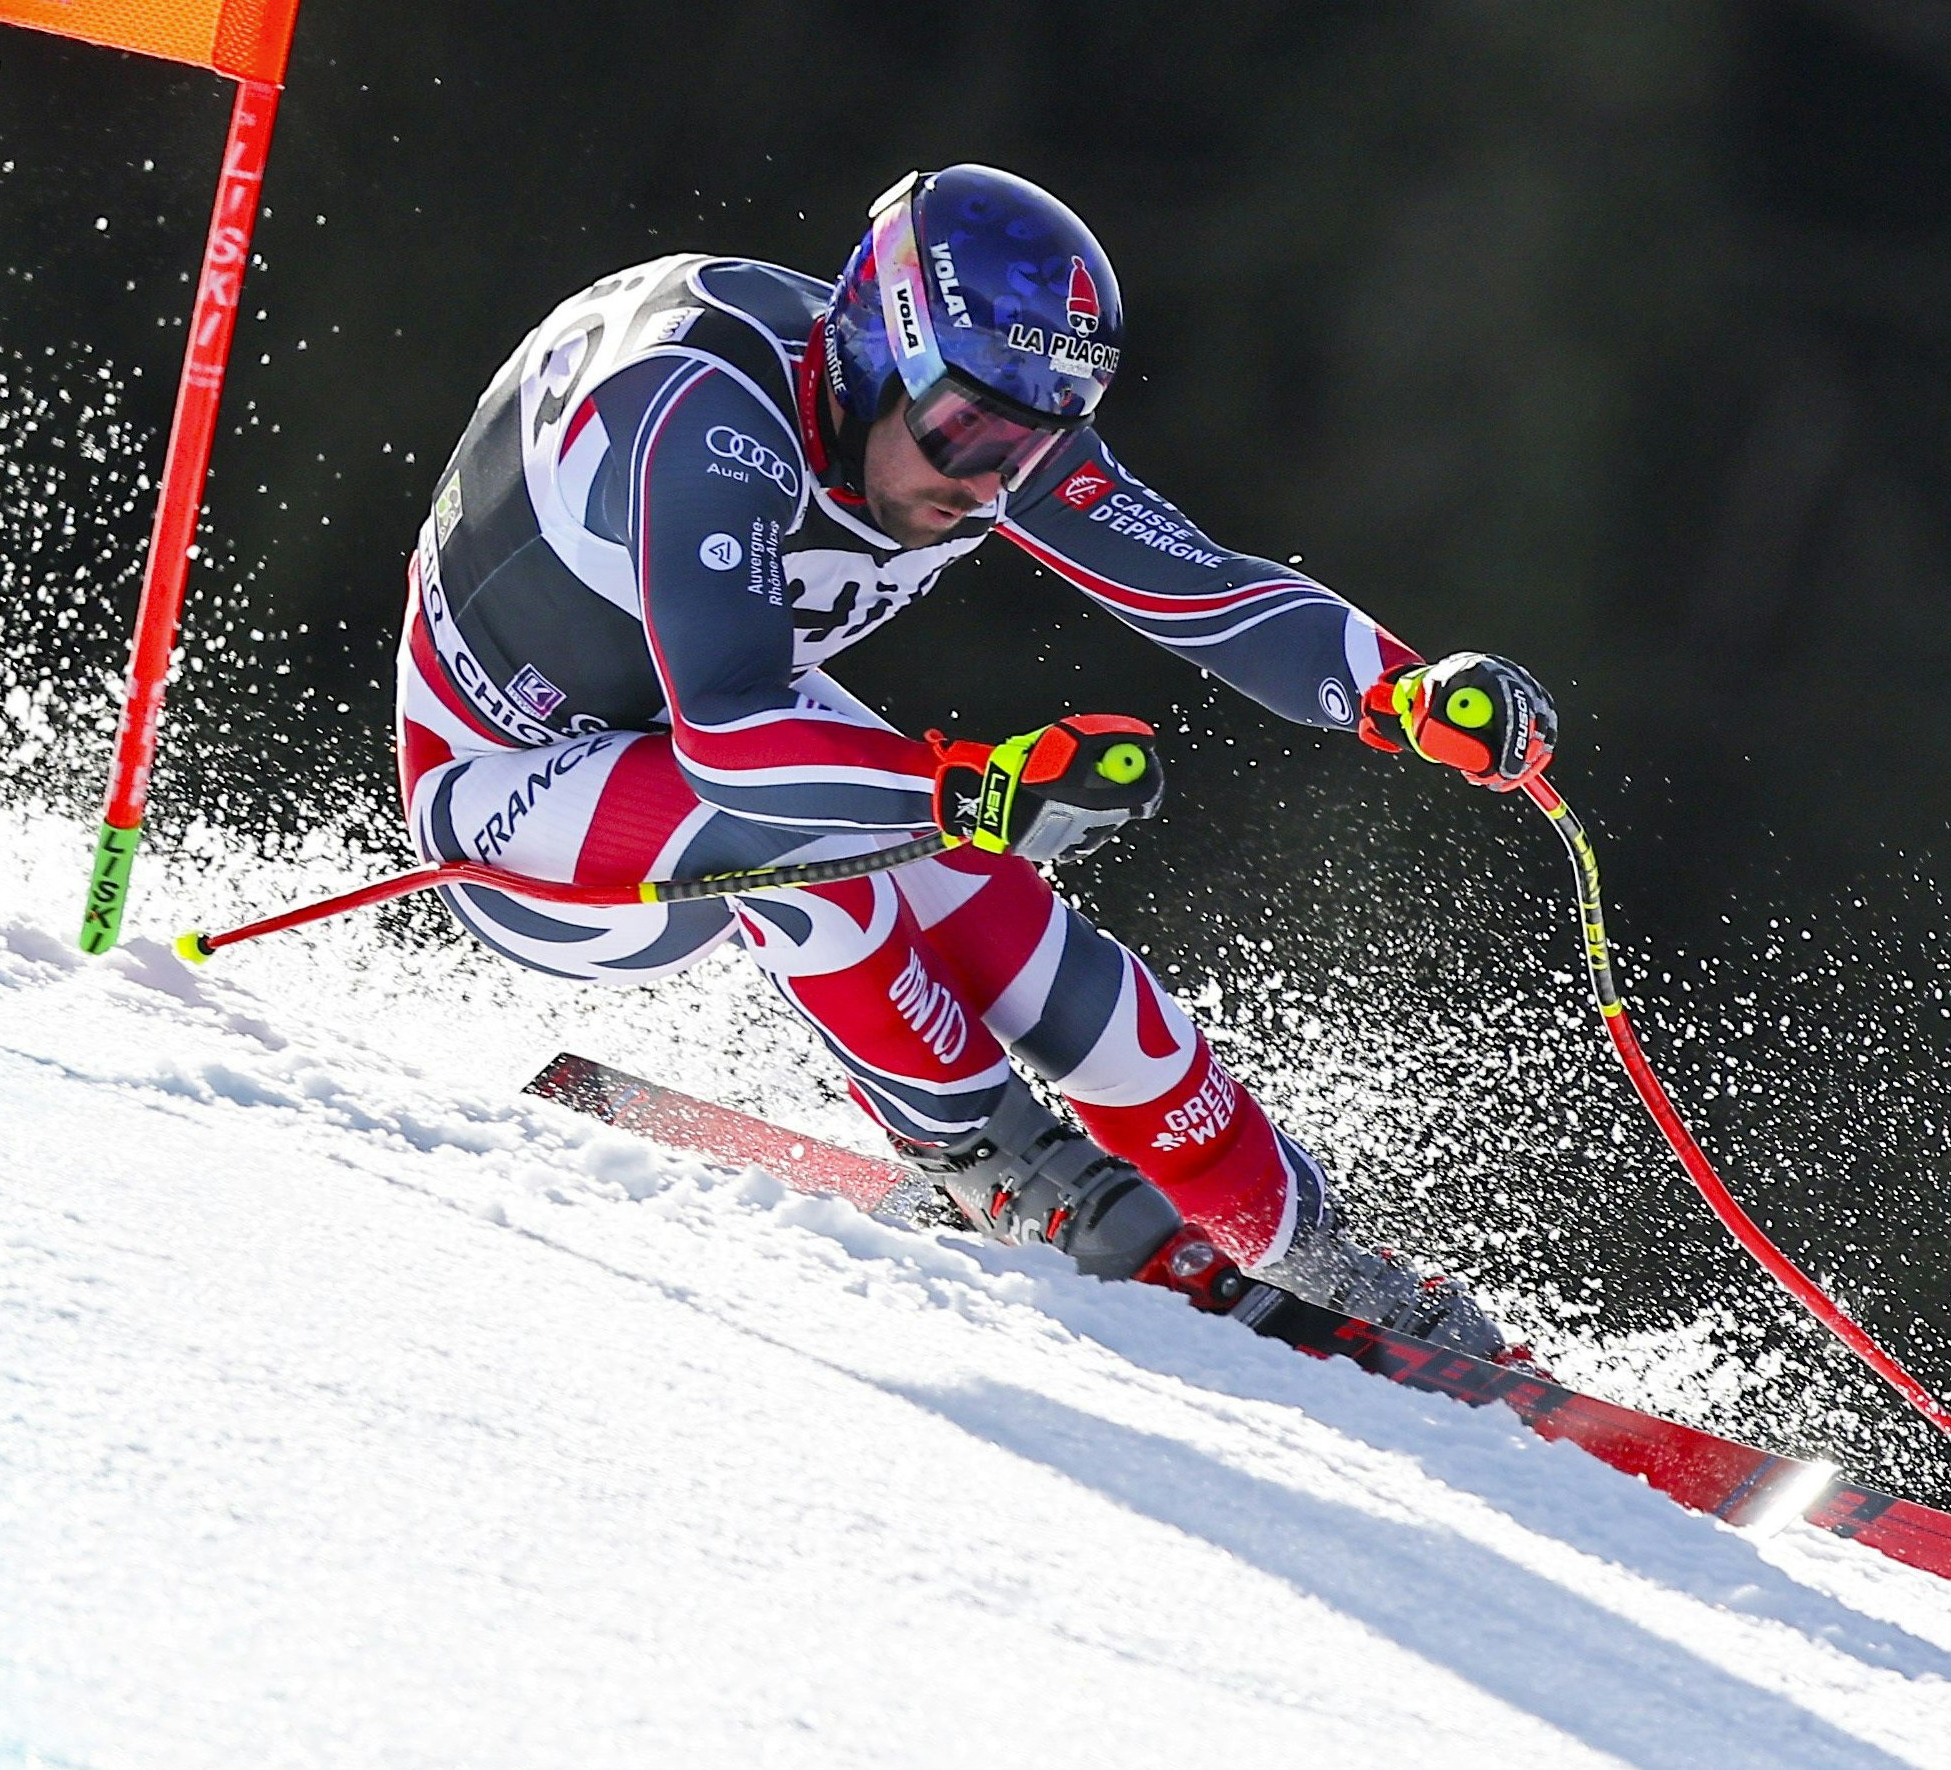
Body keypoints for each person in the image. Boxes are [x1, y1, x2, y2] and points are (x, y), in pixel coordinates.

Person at [393, 165, 1555, 1352]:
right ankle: (996, 1170)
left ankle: (1316, 1254)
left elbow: (1197, 585)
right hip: (507, 801)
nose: (986, 483)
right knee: (818, 836)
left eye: (1029, 446)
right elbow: (736, 740)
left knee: (1016, 931)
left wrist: (1399, 692)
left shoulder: (976, 408)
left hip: (711, 745)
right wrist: (973, 787)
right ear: (863, 353)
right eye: (964, 433)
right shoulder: (705, 415)